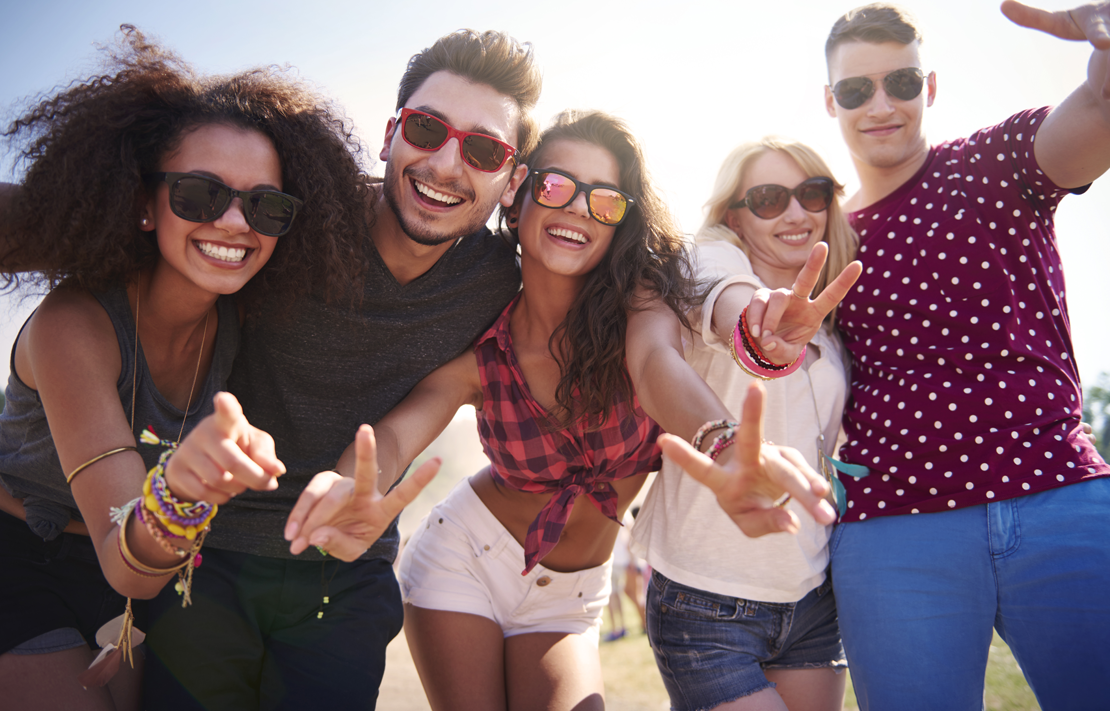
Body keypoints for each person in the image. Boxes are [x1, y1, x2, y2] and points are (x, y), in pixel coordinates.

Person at [286, 111, 845, 711]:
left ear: (620, 221)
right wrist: (347, 483)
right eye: (556, 187)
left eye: (605, 201)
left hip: (570, 596)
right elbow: (398, 435)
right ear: (520, 193)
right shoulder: (484, 348)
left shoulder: (644, 303)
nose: (579, 209)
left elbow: (657, 367)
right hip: (465, 561)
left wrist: (725, 443)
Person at [136, 29, 538, 709]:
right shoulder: (287, 218)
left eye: (482, 150)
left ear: (511, 181)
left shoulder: (500, 280)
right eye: (426, 128)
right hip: (209, 550)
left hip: (348, 567)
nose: (445, 165)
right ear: (390, 135)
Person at [739, 2, 1110, 708]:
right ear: (830, 101)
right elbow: (770, 350)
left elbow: (1099, 107)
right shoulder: (821, 238)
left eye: (900, 83)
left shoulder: (1000, 161)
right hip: (896, 531)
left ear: (928, 87)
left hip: (1057, 495)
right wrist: (763, 347)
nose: (880, 104)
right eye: (855, 90)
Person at [0, 27, 371, 710]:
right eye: (199, 195)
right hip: (18, 553)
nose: (234, 222)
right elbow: (127, 557)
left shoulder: (243, 314)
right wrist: (181, 492)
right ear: (143, 202)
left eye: (267, 205)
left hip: (118, 581)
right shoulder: (72, 325)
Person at [631, 137, 861, 711]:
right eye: (767, 198)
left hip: (811, 596)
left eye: (811, 194)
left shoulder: (829, 337)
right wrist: (756, 330)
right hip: (707, 599)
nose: (795, 213)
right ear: (733, 215)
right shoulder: (707, 264)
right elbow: (725, 300)